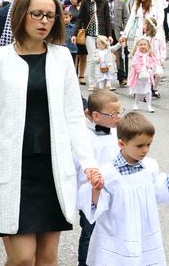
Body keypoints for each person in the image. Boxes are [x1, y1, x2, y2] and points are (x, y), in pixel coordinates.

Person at [0, 0, 103, 265]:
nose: (44, 21)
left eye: (50, 16)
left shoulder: (61, 56)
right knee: (23, 259)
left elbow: (74, 116)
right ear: (21, 15)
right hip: (13, 170)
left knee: (47, 258)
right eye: (37, 14)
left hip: (52, 170)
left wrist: (88, 163)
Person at [78, 111, 169, 266]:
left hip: (144, 232)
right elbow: (95, 206)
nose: (145, 150)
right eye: (140, 145)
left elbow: (155, 193)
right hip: (117, 234)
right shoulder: (108, 173)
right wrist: (97, 189)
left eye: (149, 144)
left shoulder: (150, 166)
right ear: (121, 144)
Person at [75, 89, 122, 266]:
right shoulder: (84, 139)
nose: (118, 116)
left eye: (119, 112)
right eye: (113, 113)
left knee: (113, 230)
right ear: (95, 116)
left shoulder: (118, 135)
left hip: (115, 194)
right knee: (90, 232)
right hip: (92, 196)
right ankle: (84, 262)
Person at [73, 0, 112, 91]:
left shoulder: (103, 2)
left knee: (105, 57)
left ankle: (105, 80)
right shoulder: (85, 2)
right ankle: (92, 82)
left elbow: (107, 19)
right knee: (91, 58)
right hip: (89, 34)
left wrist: (109, 34)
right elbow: (79, 18)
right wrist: (74, 34)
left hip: (101, 34)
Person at [101, 0, 129, 87]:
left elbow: (126, 18)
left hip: (117, 32)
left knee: (118, 55)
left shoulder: (121, 2)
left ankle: (121, 77)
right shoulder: (101, 3)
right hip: (105, 32)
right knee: (103, 55)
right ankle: (103, 78)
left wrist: (125, 32)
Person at [127, 37, 157, 113]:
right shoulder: (137, 55)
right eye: (141, 44)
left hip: (147, 75)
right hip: (138, 76)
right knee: (138, 91)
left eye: (144, 44)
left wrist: (150, 68)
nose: (143, 46)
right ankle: (136, 104)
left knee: (148, 91)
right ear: (138, 46)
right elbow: (134, 63)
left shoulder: (150, 54)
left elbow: (154, 62)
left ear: (148, 45)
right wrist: (139, 70)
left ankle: (149, 106)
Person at [143, 16, 166, 99]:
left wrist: (162, 59)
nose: (143, 26)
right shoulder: (144, 38)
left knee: (159, 74)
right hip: (146, 61)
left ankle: (154, 88)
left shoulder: (159, 37)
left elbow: (162, 49)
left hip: (156, 60)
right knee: (148, 75)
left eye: (144, 24)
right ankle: (147, 91)